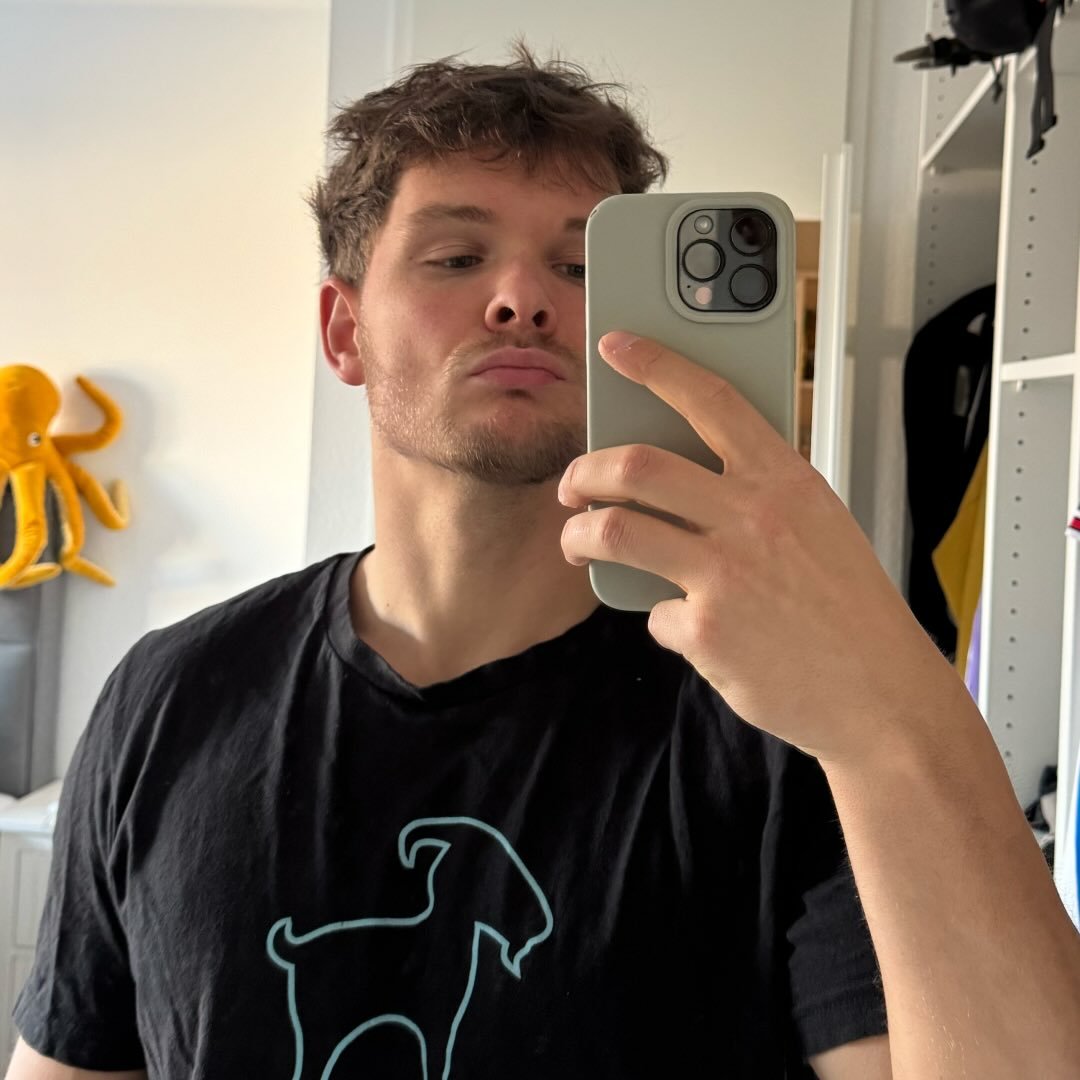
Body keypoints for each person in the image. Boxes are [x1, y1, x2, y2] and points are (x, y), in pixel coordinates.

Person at [7, 44, 1080, 1080]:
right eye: (456, 257)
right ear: (344, 330)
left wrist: (895, 715)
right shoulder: (169, 696)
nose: (523, 298)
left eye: (580, 266)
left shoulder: (778, 716)